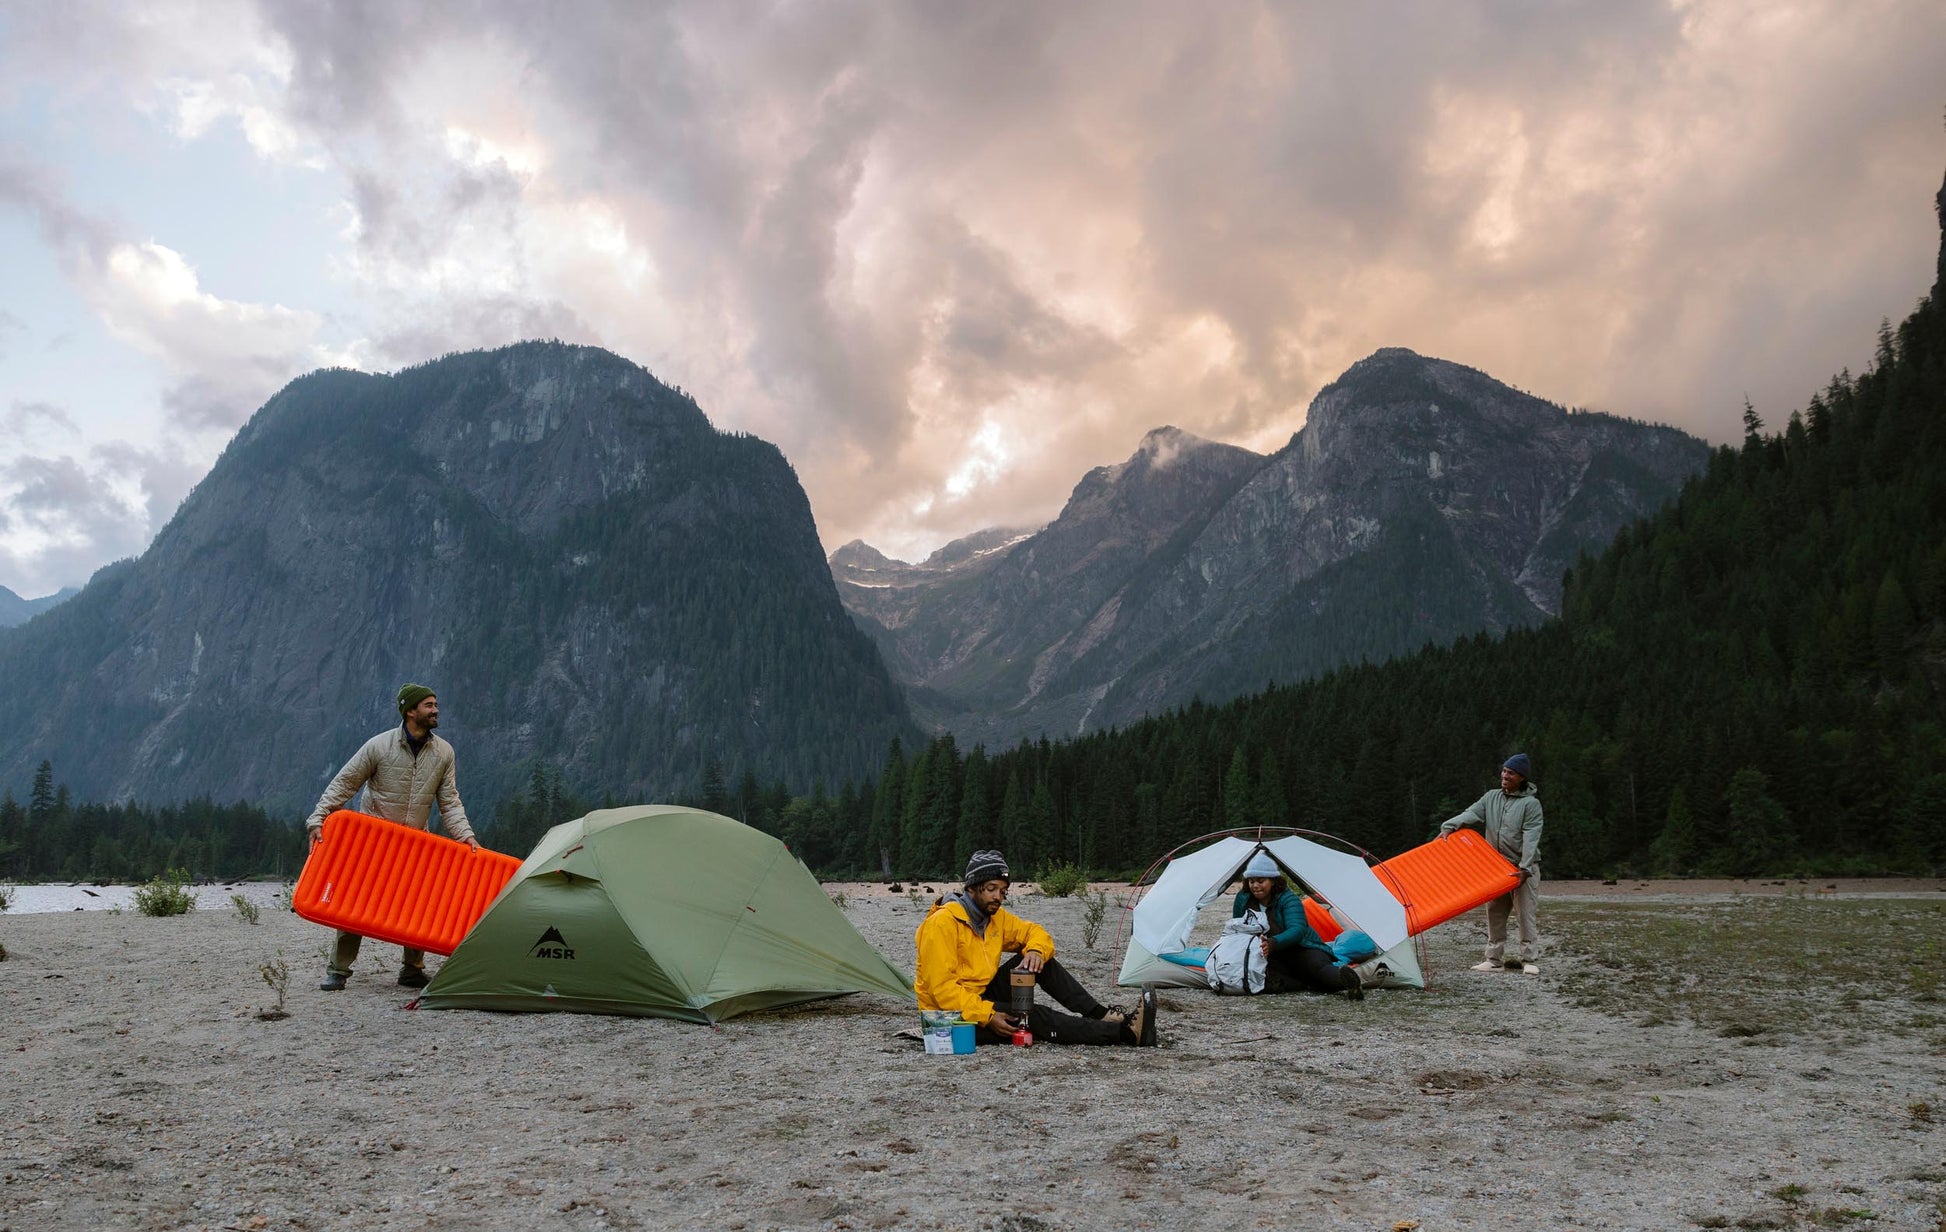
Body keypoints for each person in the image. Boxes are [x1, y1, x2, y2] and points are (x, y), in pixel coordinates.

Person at [304, 683, 479, 991]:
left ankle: (411, 969)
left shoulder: (444, 752)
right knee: (353, 903)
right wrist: (318, 818)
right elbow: (345, 782)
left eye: (435, 704)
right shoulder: (378, 746)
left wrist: (466, 836)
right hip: (373, 841)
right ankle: (338, 970)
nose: (436, 710)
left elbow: (449, 801)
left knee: (418, 905)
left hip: (415, 843)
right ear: (410, 711)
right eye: (428, 705)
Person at [915, 849, 1157, 1046]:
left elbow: (1035, 932)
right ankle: (1125, 1034)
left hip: (978, 998)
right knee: (1032, 1014)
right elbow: (943, 992)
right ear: (971, 887)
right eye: (991, 889)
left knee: (1039, 962)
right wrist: (988, 1015)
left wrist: (1035, 952)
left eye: (1002, 890)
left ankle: (1101, 1014)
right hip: (946, 1019)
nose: (998, 897)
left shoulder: (994, 919)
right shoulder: (942, 924)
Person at [1440, 752, 1544, 973]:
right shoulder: (1491, 797)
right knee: (1494, 914)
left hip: (1522, 869)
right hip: (1496, 869)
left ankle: (1530, 961)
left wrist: (1525, 868)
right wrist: (1449, 825)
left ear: (1522, 778)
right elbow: (1471, 813)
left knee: (1525, 915)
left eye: (1511, 773)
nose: (1505, 776)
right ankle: (1494, 960)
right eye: (1504, 771)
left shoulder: (1531, 804)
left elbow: (1531, 836)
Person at [1232, 850, 1363, 999]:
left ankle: (1346, 981)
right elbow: (1237, 926)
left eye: (1261, 881)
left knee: (1317, 969)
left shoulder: (1288, 899)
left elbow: (1297, 930)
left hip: (1303, 948)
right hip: (1270, 955)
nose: (1255, 886)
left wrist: (1272, 942)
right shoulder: (1243, 899)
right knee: (1263, 974)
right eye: (1251, 881)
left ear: (1273, 881)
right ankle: (1303, 984)